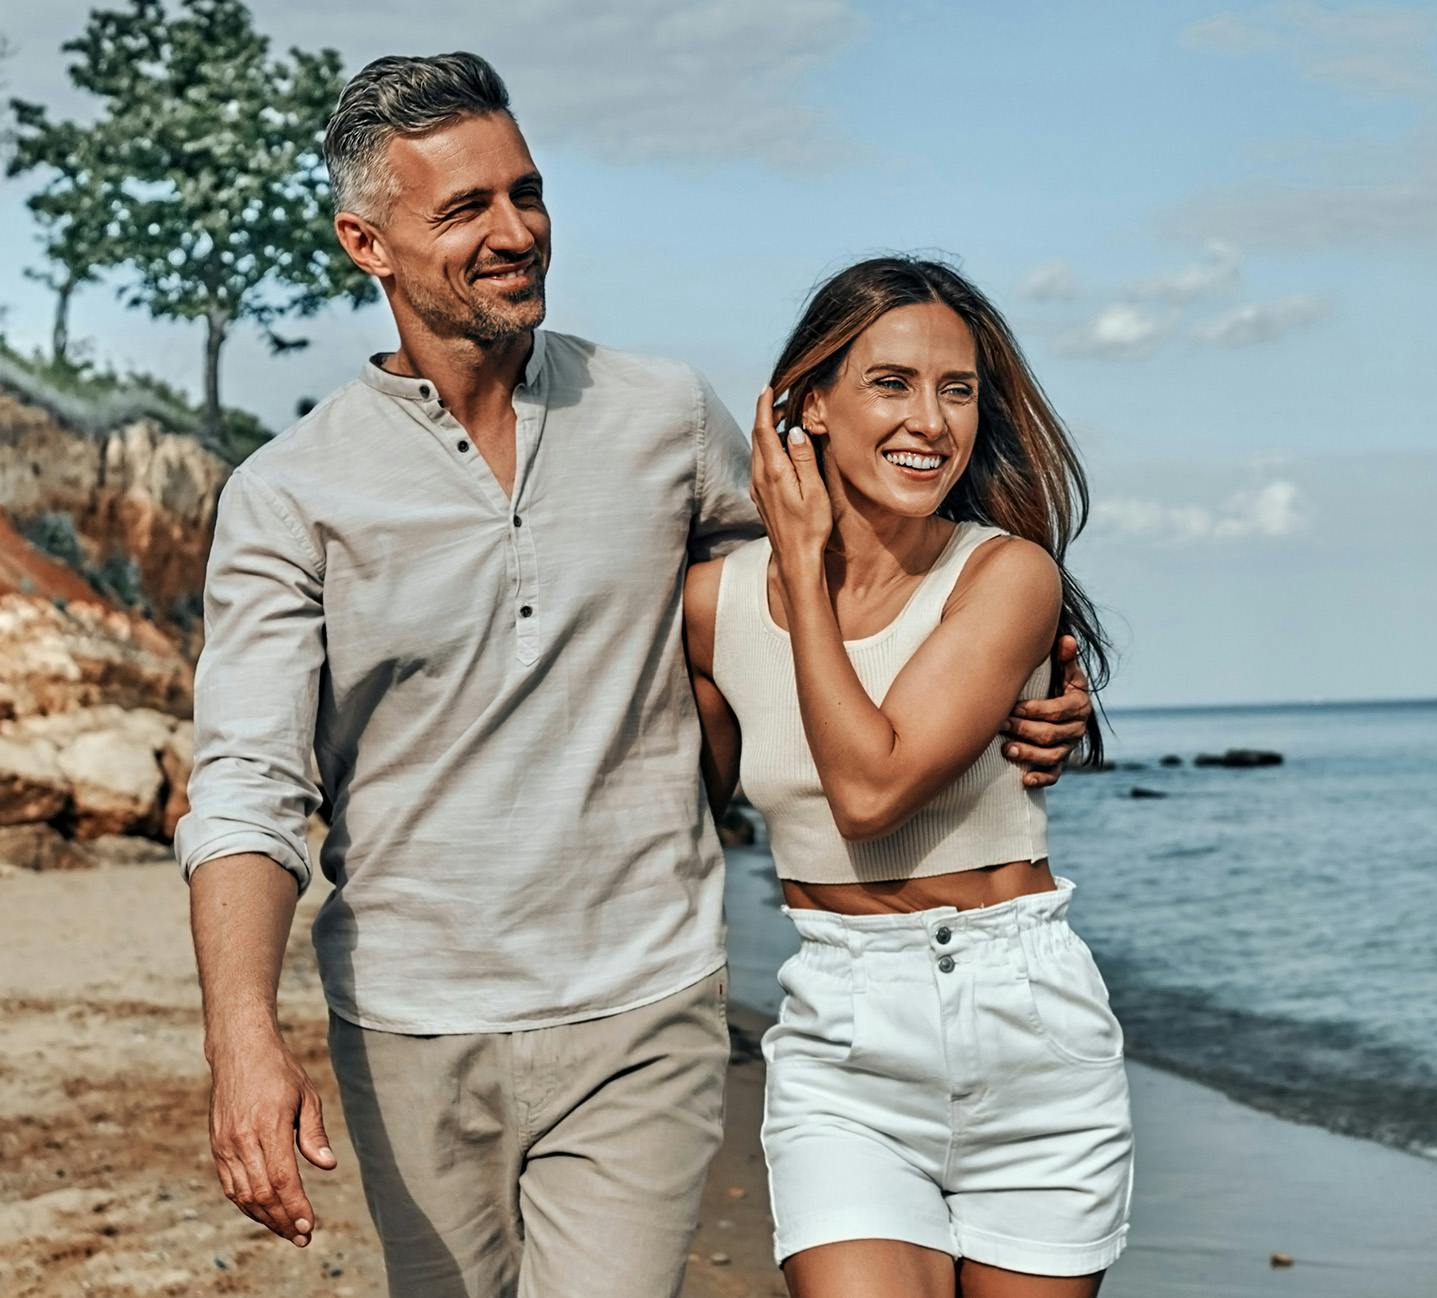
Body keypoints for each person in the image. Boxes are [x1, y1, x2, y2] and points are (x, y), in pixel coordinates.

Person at [174, 53, 1091, 1298]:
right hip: (409, 1016)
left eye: (527, 193)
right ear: (365, 241)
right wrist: (243, 1040)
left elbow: (836, 585)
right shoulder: (290, 492)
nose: (515, 234)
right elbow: (247, 783)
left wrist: (1029, 699)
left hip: (646, 1002)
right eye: (464, 210)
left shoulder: (660, 415)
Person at [683, 257, 1133, 1298]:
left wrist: (796, 565)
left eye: (956, 388)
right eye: (890, 382)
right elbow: (662, 803)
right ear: (807, 404)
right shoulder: (708, 606)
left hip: (1028, 1033)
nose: (928, 421)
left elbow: (871, 789)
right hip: (844, 1037)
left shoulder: (1007, 574)